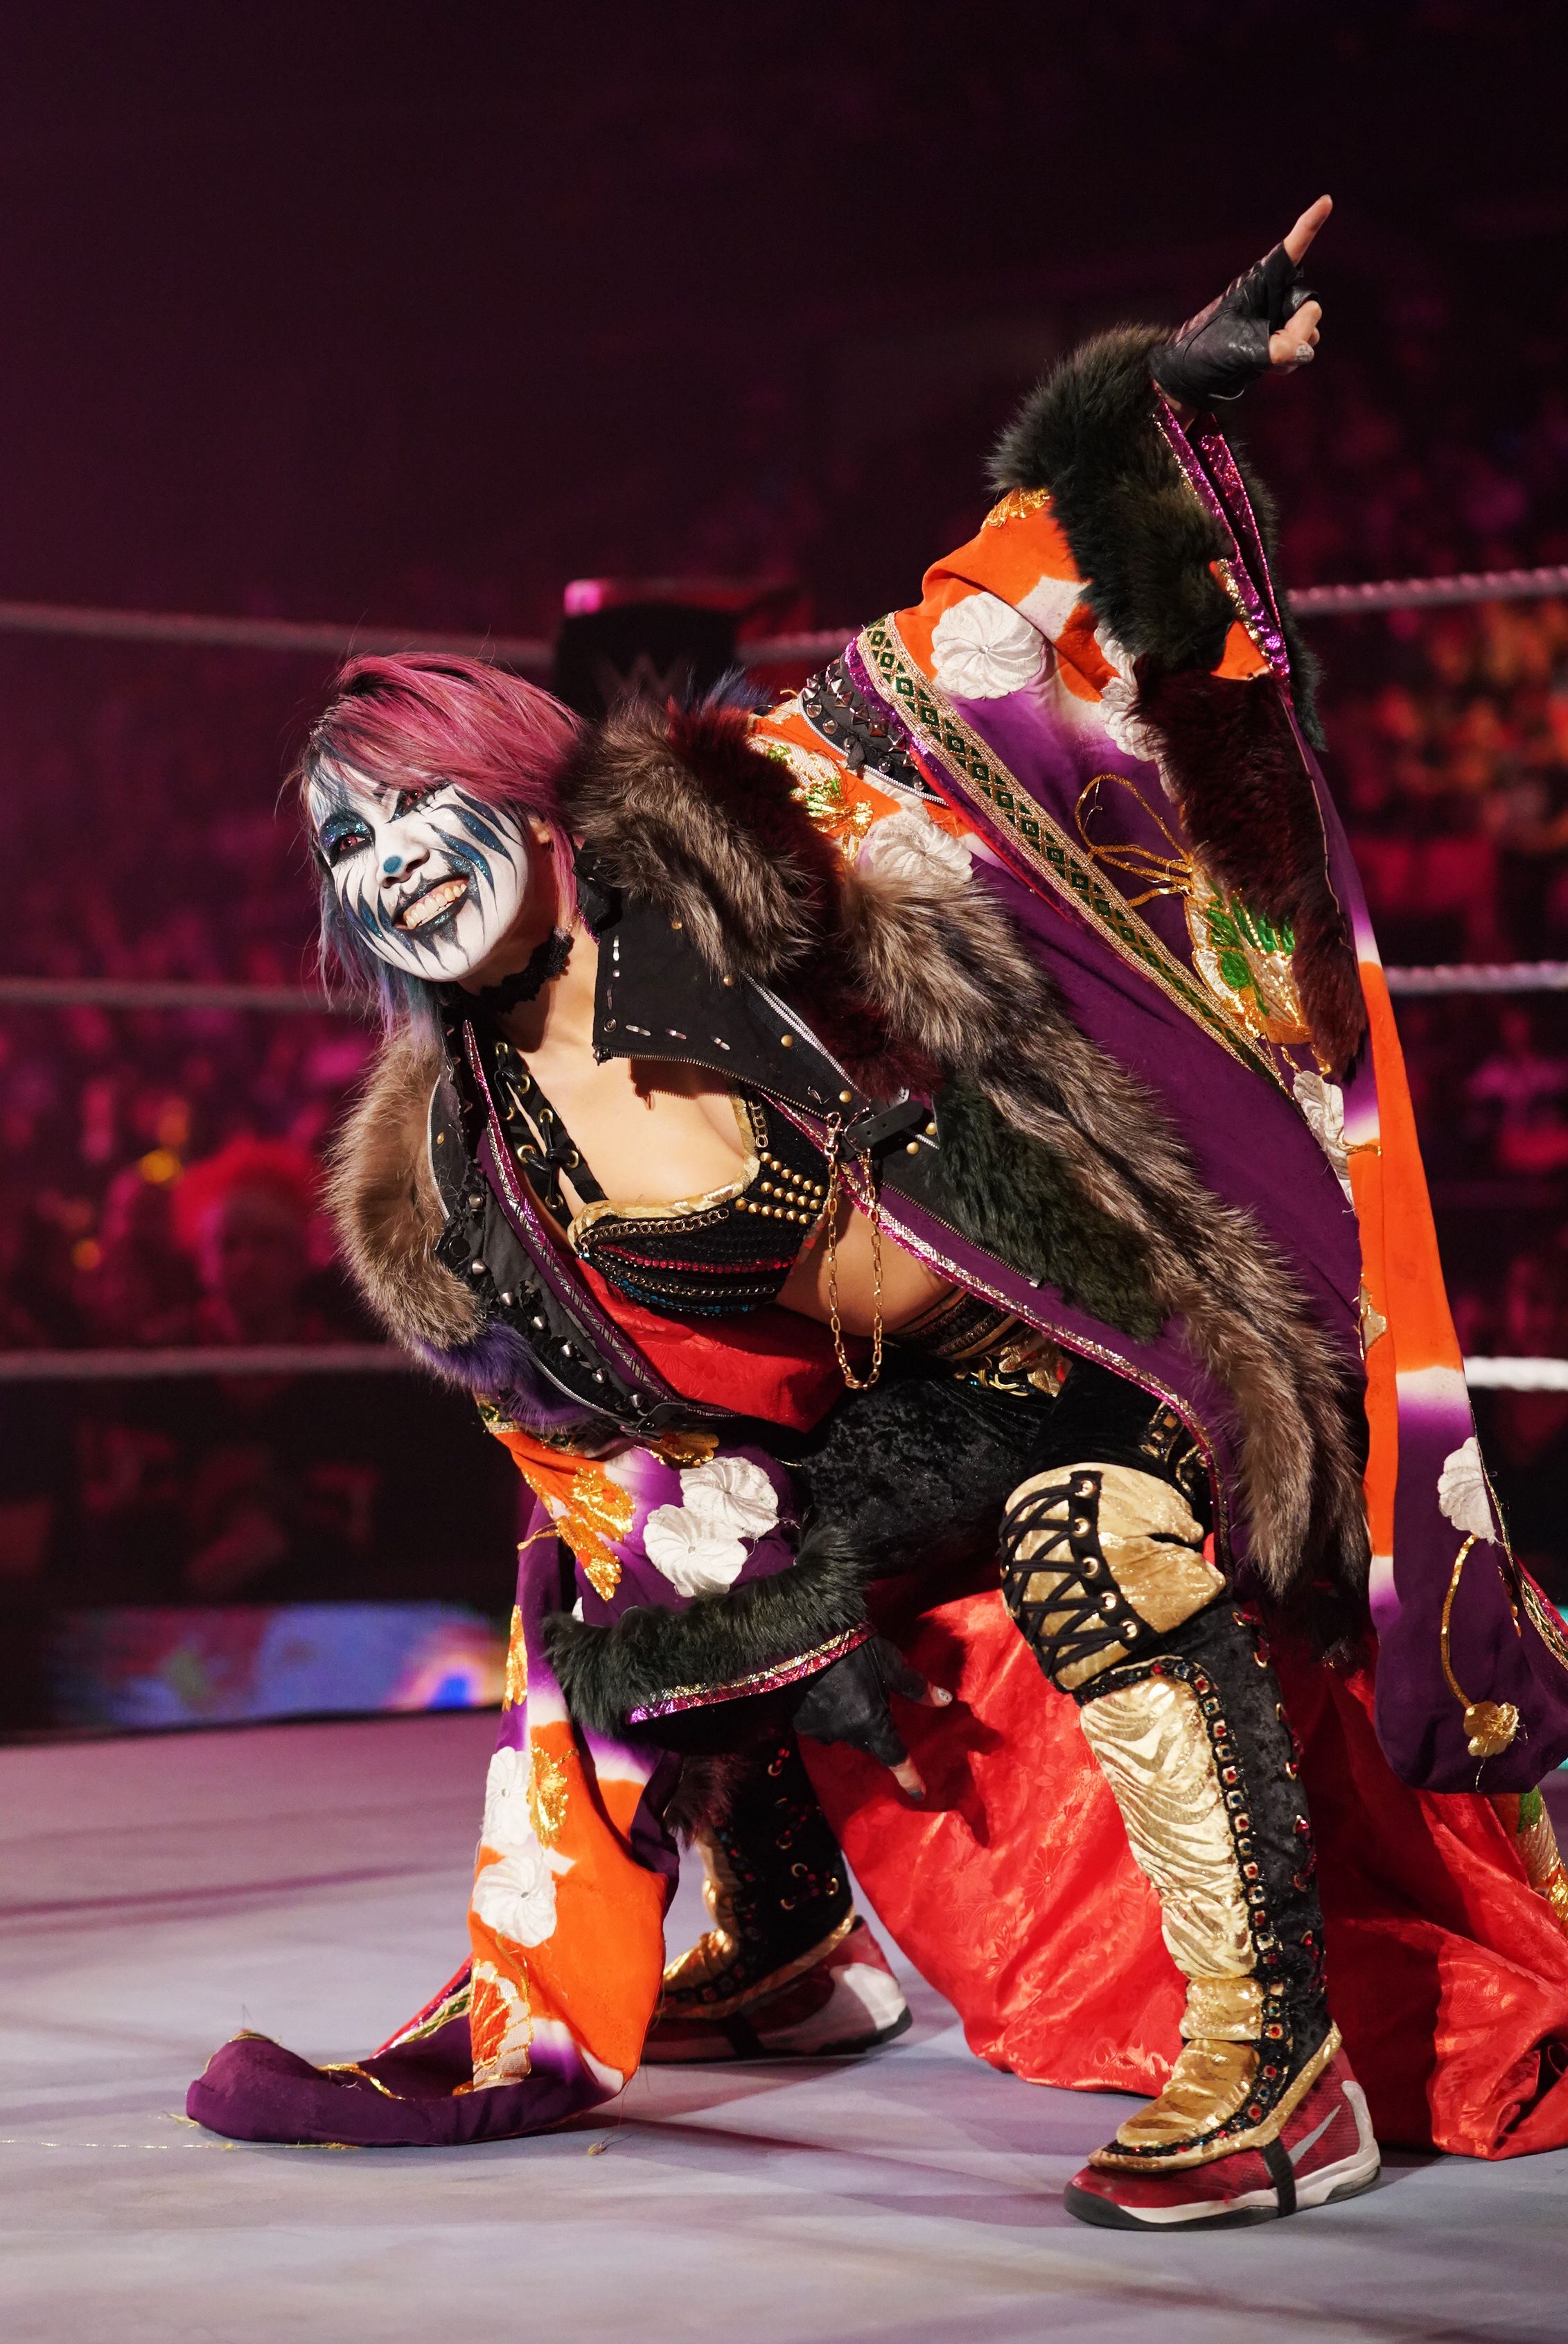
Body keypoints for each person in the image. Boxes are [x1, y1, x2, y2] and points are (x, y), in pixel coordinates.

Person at [188, 201, 1568, 2228]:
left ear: (530, 789)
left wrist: (1142, 419)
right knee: (651, 1573)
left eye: (418, 809)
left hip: (1101, 1329)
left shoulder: (750, 829)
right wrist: (709, 1602)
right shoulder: (456, 1170)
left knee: (1085, 1532)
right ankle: (791, 1940)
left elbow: (972, 638)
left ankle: (1276, 2064)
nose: (391, 867)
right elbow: (597, 1471)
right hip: (898, 1426)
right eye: (348, 849)